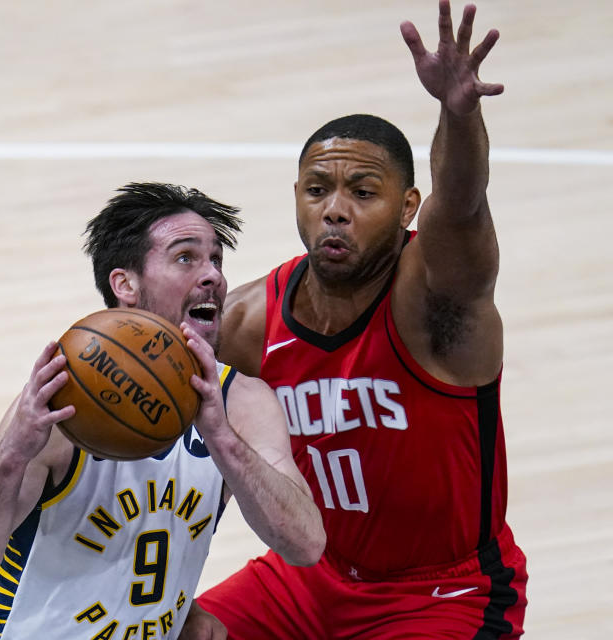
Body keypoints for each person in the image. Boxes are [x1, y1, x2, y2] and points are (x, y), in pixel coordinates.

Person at [192, 1, 527, 637]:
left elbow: (460, 209)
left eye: (362, 194)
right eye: (318, 190)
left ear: (407, 208)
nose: (336, 210)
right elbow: (157, 361)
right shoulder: (249, 319)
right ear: (296, 197)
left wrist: (459, 116)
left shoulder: (434, 299)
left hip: (443, 592)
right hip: (313, 578)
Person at [0, 182, 325, 640]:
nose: (214, 277)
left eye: (216, 259)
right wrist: (9, 461)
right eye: (186, 258)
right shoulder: (64, 401)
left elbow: (305, 545)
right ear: (125, 283)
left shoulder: (241, 402)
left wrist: (221, 437)